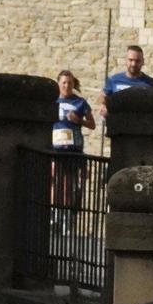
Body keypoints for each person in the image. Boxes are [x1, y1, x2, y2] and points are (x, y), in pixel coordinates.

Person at [51, 70, 96, 210]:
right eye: (63, 82)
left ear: (73, 83)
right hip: (54, 148)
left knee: (67, 184)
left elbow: (92, 124)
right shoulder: (52, 101)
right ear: (58, 84)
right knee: (52, 180)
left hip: (72, 148)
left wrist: (79, 121)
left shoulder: (80, 102)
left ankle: (66, 212)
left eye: (69, 82)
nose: (66, 86)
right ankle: (52, 211)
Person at [101, 44, 153, 113]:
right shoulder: (114, 80)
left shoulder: (152, 84)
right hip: (119, 122)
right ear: (125, 60)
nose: (133, 64)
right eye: (131, 60)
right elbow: (104, 96)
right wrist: (104, 106)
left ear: (143, 61)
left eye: (137, 61)